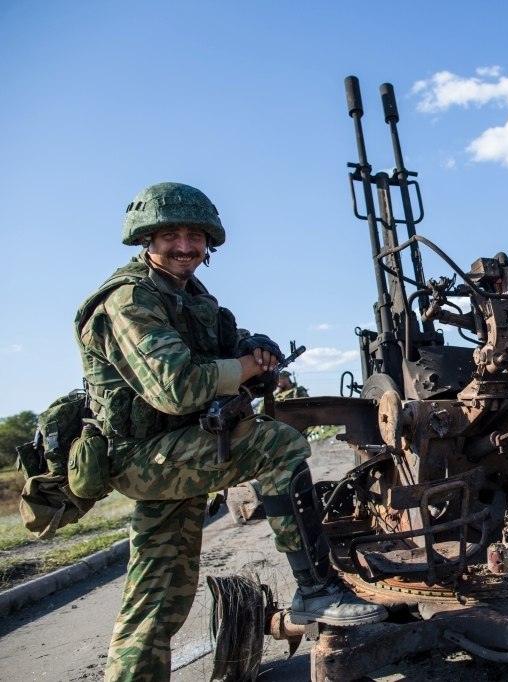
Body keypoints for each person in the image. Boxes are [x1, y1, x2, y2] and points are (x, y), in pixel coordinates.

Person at [75, 182, 386, 681]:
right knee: (278, 444)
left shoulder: (190, 296)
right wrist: (243, 365)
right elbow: (176, 387)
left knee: (157, 601)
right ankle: (317, 589)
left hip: (175, 452)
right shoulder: (130, 299)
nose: (184, 246)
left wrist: (255, 348)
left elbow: (226, 343)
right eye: (170, 235)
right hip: (146, 457)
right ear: (146, 240)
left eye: (194, 236)